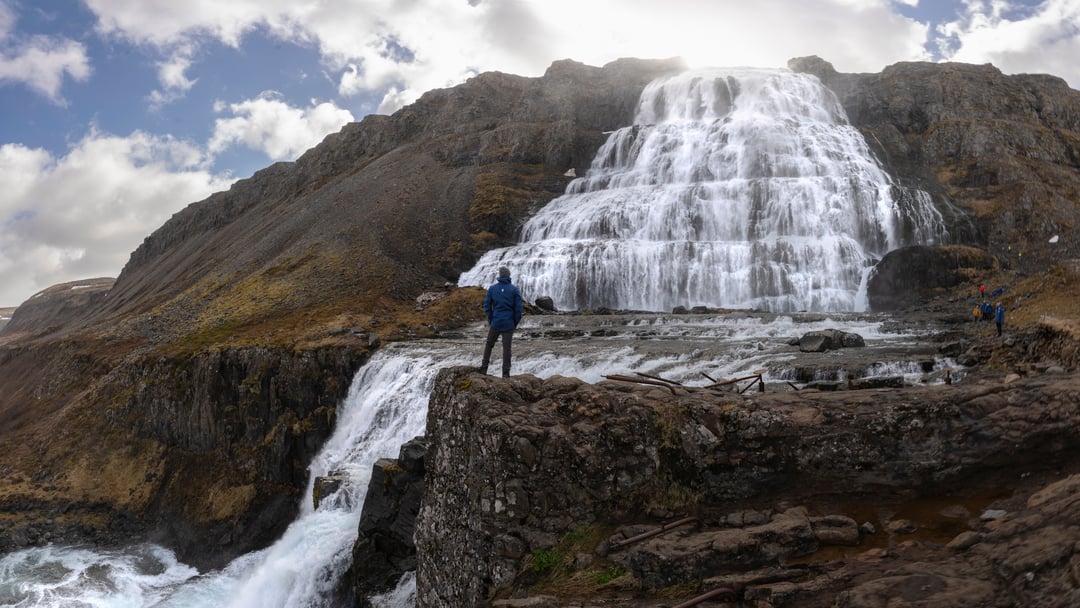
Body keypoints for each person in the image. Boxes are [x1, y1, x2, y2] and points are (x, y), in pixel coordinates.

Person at [479, 266, 523, 378]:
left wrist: (491, 319)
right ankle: (506, 373)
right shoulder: (514, 289)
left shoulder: (493, 289)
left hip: (496, 322)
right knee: (507, 348)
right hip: (508, 324)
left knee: (489, 345)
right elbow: (518, 310)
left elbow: (487, 306)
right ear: (508, 275)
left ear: (500, 275)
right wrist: (514, 323)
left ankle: (484, 368)